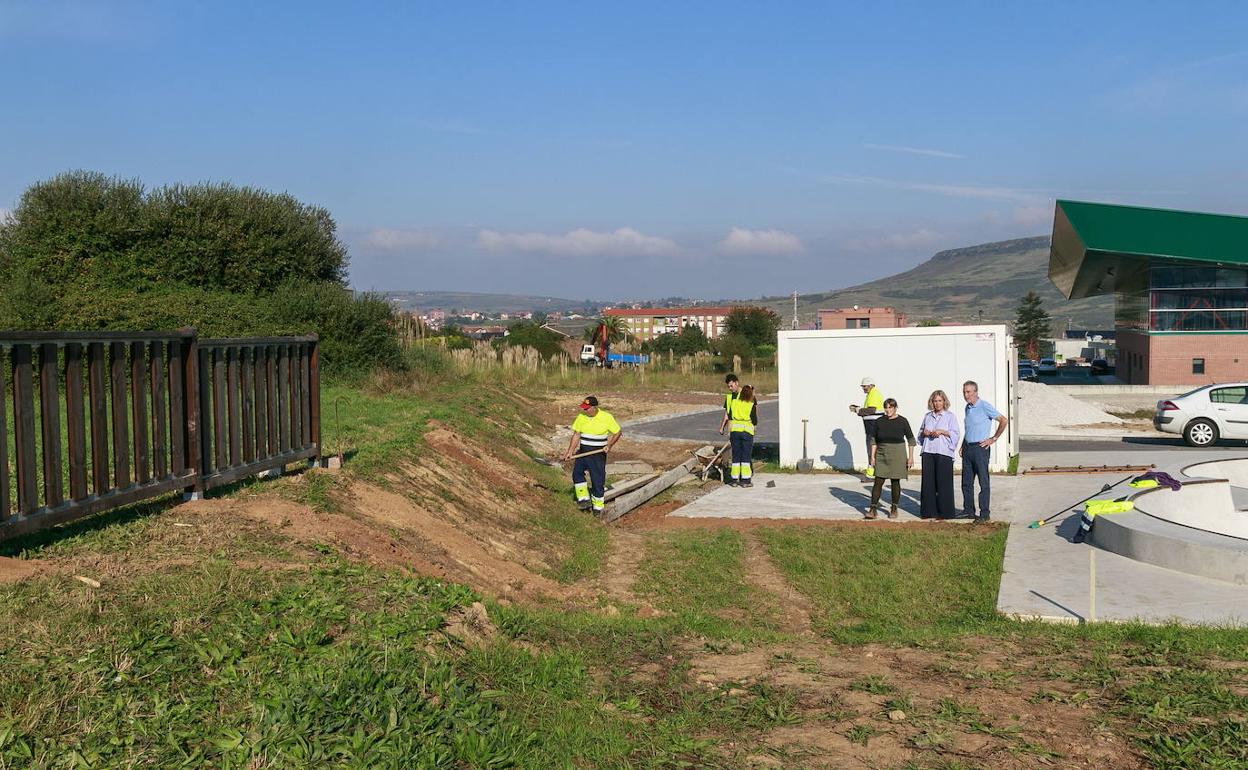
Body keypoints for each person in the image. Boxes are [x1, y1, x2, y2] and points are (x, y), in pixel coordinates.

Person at [561, 396, 622, 514]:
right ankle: (584, 500)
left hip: (597, 454)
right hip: (583, 451)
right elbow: (576, 435)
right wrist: (570, 451)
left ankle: (598, 508)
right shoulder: (581, 416)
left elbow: (618, 432)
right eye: (584, 408)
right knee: (577, 474)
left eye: (587, 408)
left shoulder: (606, 417)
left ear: (594, 407)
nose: (585, 410)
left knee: (597, 480)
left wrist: (609, 445)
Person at [960, 380, 1008, 522]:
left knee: (983, 482)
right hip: (968, 448)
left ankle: (984, 513)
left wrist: (993, 438)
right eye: (964, 392)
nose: (966, 395)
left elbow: (1003, 420)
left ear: (976, 392)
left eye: (968, 392)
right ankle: (968, 511)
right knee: (966, 482)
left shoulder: (984, 406)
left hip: (980, 449)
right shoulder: (967, 408)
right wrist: (963, 444)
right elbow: (969, 428)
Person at [866, 398, 915, 520]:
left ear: (895, 408)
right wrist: (872, 457)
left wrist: (911, 457)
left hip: (898, 454)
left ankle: (894, 508)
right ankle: (873, 509)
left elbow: (911, 440)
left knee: (895, 482)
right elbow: (873, 441)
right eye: (886, 408)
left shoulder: (903, 421)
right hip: (882, 453)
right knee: (878, 481)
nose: (888, 410)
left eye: (890, 408)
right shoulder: (879, 421)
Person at [918, 389, 960, 519]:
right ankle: (928, 512)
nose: (937, 403)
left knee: (944, 483)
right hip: (928, 451)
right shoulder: (927, 416)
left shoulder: (950, 416)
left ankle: (945, 512)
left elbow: (956, 434)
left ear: (944, 402)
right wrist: (925, 432)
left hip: (943, 452)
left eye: (940, 401)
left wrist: (942, 431)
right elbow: (920, 433)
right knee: (928, 483)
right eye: (935, 401)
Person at [726, 384, 759, 487]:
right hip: (746, 432)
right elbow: (754, 420)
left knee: (736, 456)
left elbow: (730, 417)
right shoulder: (750, 404)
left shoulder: (734, 403)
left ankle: (734, 480)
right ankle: (745, 481)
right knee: (745, 456)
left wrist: (729, 431)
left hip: (734, 432)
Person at [848, 377, 885, 471]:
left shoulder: (874, 393)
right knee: (873, 452)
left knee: (872, 452)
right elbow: (871, 411)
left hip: (873, 429)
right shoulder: (871, 394)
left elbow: (871, 410)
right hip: (871, 428)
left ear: (871, 385)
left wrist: (858, 410)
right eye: (863, 386)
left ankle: (872, 474)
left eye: (865, 386)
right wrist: (859, 410)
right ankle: (874, 473)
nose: (863, 388)